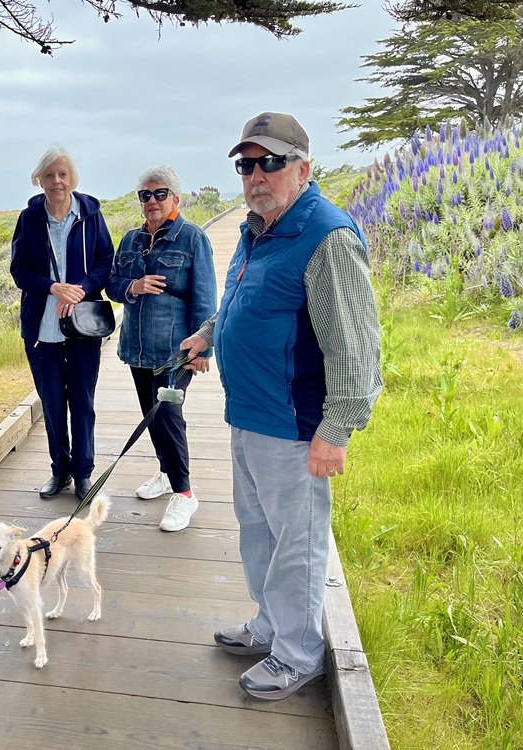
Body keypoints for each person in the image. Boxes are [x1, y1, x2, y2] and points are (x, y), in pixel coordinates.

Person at [180, 112, 382, 700]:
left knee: (297, 542)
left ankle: (298, 654)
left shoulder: (326, 236)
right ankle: (270, 625)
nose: (257, 176)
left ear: (303, 168)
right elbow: (247, 301)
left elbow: (356, 344)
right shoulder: (259, 228)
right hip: (249, 413)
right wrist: (210, 334)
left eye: (271, 162)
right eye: (247, 165)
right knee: (258, 532)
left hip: (295, 423)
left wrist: (337, 429)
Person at [105, 166, 217, 532]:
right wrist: (133, 286)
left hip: (176, 351)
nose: (152, 200)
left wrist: (203, 349)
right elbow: (112, 285)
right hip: (137, 348)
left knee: (167, 414)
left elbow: (205, 297)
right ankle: (167, 473)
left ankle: (184, 493)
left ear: (175, 199)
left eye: (160, 193)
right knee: (151, 416)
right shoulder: (130, 240)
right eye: (145, 195)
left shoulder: (193, 238)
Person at [10, 147, 115, 502]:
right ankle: (60, 470)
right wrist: (53, 287)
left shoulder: (90, 214)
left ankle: (83, 473)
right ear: (39, 180)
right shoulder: (29, 219)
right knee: (53, 405)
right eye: (50, 175)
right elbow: (19, 270)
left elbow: (105, 260)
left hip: (83, 326)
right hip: (42, 329)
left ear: (72, 178)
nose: (57, 181)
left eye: (63, 174)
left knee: (82, 403)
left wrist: (80, 289)